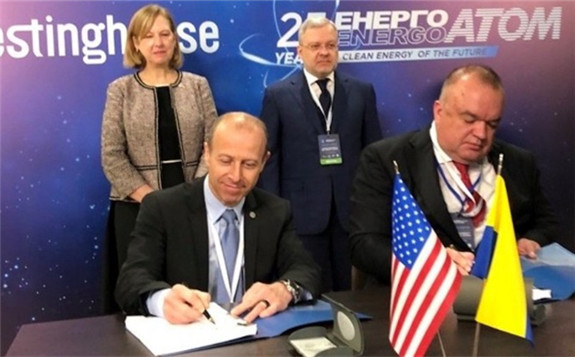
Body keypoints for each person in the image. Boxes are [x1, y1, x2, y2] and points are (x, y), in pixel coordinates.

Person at [349, 64, 559, 285]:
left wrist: (531, 241)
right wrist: (428, 261)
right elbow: (364, 245)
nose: (481, 134)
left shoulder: (519, 162)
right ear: (439, 112)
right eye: (469, 120)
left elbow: (546, 224)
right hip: (425, 298)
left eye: (491, 124)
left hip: (503, 298)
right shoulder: (388, 160)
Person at [115, 112, 321, 324]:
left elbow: (306, 270)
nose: (235, 176)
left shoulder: (275, 211)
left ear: (263, 162)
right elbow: (130, 281)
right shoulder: (163, 207)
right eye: (225, 161)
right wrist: (162, 300)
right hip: (190, 340)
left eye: (249, 164)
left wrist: (284, 289)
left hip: (254, 337)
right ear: (207, 153)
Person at [100, 4, 217, 310]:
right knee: (141, 293)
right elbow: (112, 156)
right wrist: (152, 200)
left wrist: (191, 194)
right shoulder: (120, 90)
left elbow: (212, 144)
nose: (158, 42)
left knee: (191, 293)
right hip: (136, 209)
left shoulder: (197, 85)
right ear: (136, 43)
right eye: (148, 35)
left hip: (192, 205)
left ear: (175, 39)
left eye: (165, 33)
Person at [258, 17, 382, 292]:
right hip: (301, 213)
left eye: (330, 45)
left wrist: (370, 207)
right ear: (300, 51)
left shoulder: (362, 92)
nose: (323, 52)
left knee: (349, 293)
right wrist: (276, 212)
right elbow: (270, 159)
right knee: (309, 288)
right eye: (315, 46)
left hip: (350, 213)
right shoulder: (277, 95)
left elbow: (373, 154)